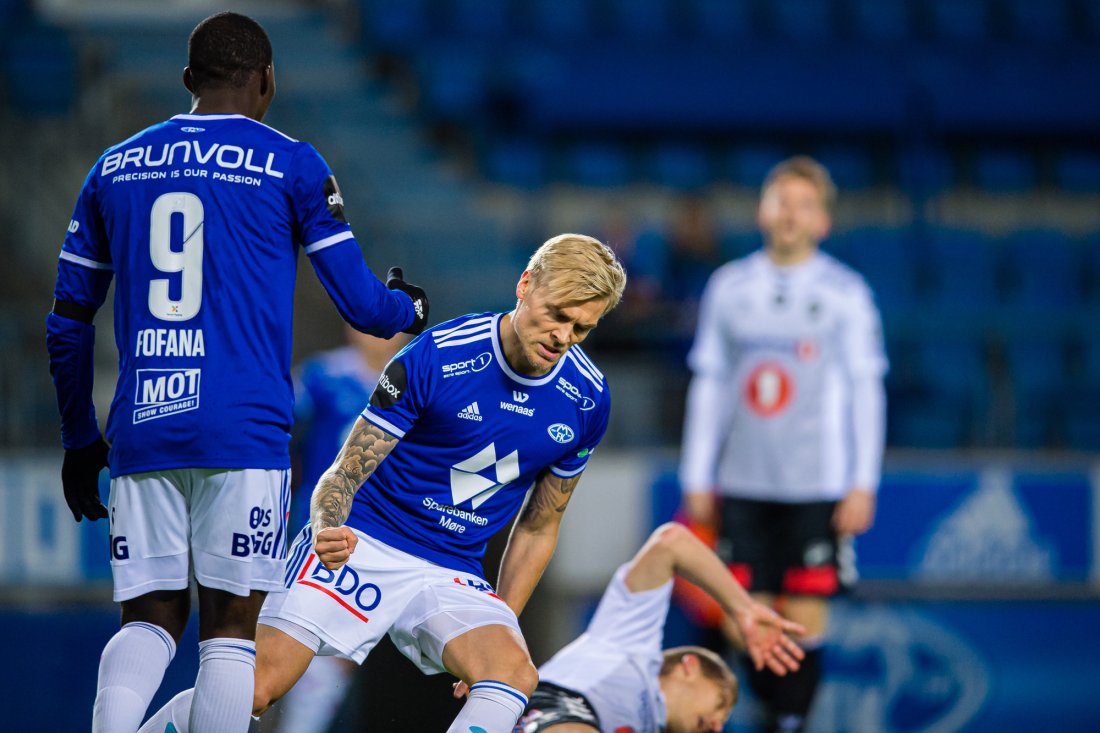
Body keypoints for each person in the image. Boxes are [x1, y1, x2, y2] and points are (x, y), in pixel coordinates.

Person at [44, 12, 428, 733]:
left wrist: (78, 437)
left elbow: (67, 321)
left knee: (149, 619)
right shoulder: (292, 162)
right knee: (229, 631)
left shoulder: (115, 164)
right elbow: (364, 307)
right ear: (268, 80)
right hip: (243, 430)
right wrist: (408, 305)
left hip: (144, 425)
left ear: (187, 81)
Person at [138, 233, 627, 733]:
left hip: (451, 569)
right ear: (525, 284)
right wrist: (327, 526)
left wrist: (500, 621)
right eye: (557, 315)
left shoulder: (586, 399)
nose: (563, 337)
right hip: (363, 540)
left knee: (513, 674)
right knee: (257, 686)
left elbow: (541, 525)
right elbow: (345, 470)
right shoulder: (437, 355)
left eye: (582, 328)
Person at [678, 156, 888, 733]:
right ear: (762, 211)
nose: (791, 214)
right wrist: (697, 475)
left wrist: (862, 482)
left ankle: (787, 720)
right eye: (781, 200)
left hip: (815, 485)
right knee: (740, 618)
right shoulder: (730, 287)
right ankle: (777, 709)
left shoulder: (846, 293)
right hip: (744, 481)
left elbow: (867, 389)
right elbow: (711, 381)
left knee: (802, 616)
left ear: (823, 221)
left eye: (804, 204)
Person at [511, 521, 806, 733]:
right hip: (549, 707)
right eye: (720, 704)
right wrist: (742, 608)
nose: (717, 726)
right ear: (688, 667)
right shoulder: (632, 639)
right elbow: (671, 542)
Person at [271, 327, 409, 733]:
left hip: (379, 538)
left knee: (333, 657)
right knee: (274, 641)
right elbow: (276, 428)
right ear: (352, 325)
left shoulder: (420, 378)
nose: (385, 335)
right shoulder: (321, 375)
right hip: (310, 531)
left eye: (397, 325)